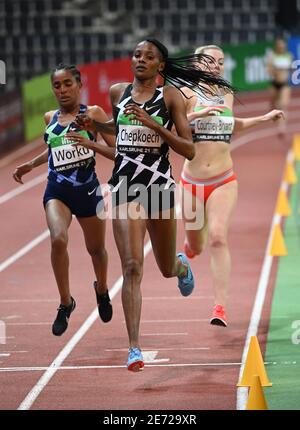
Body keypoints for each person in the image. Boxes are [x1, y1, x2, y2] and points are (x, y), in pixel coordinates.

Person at [75, 39, 234, 371]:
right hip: (124, 187)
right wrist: (96, 127)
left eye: (149, 56)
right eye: (136, 55)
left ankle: (180, 266)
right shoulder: (119, 93)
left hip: (158, 188)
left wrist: (153, 124)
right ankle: (134, 347)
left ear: (161, 66)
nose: (141, 59)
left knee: (163, 268)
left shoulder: (170, 96)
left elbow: (188, 149)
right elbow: (117, 136)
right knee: (132, 266)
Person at [180, 45, 284, 327]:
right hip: (191, 181)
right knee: (197, 244)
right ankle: (188, 251)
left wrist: (261, 119)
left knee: (217, 236)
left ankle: (220, 307)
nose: (216, 65)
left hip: (223, 180)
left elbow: (229, 124)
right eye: (210, 61)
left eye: (221, 61)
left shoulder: (225, 93)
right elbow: (175, 127)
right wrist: (197, 117)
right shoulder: (185, 93)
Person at [12, 64, 115, 337]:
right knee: (58, 238)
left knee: (97, 250)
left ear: (79, 85)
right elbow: (53, 149)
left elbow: (116, 151)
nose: (62, 90)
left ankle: (102, 290)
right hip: (57, 190)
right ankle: (66, 302)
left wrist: (91, 142)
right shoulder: (50, 118)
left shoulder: (92, 114)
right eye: (57, 86)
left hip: (89, 191)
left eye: (67, 83)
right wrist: (29, 165)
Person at [267, 37, 293, 137]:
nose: (281, 47)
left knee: (283, 105)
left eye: (283, 45)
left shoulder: (288, 56)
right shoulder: (272, 56)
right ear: (277, 46)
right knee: (273, 104)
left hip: (285, 84)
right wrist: (273, 71)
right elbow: (269, 69)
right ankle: (271, 115)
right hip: (274, 83)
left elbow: (291, 69)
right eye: (279, 45)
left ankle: (281, 128)